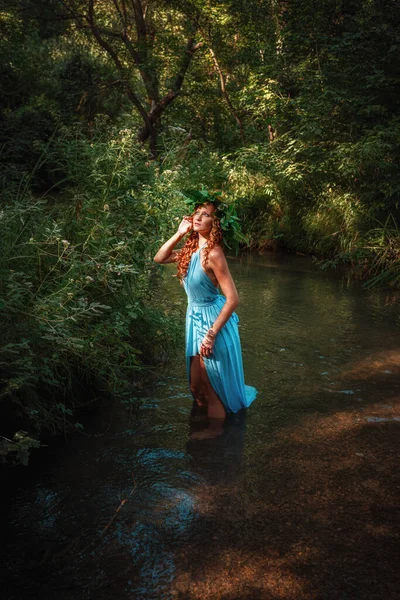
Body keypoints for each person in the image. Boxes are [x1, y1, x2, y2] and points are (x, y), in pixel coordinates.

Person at [153, 195, 257, 426]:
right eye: (197, 212)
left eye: (206, 214)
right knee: (195, 387)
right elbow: (159, 257)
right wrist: (180, 232)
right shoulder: (190, 250)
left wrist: (211, 335)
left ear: (216, 223)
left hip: (212, 322)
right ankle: (203, 428)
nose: (199, 217)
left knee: (210, 389)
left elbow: (233, 299)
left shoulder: (214, 253)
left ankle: (217, 439)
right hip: (194, 319)